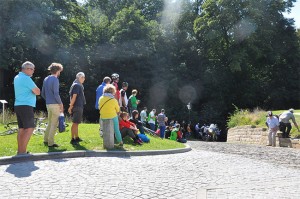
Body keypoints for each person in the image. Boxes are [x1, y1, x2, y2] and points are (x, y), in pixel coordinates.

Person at [14, 61, 40, 155]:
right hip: (26, 105)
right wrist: (33, 91)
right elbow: (37, 91)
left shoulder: (17, 77)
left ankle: (20, 151)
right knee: (30, 128)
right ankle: (23, 152)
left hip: (18, 105)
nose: (33, 71)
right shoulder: (26, 78)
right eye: (32, 69)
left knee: (21, 129)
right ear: (26, 69)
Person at [41, 63, 64, 148]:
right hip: (55, 104)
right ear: (58, 70)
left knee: (50, 122)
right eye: (60, 71)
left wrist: (47, 99)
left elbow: (42, 93)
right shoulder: (55, 79)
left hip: (48, 103)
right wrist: (60, 103)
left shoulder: (46, 79)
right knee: (54, 124)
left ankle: (46, 139)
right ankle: (51, 143)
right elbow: (56, 93)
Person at [68, 72, 86, 145]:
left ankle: (77, 137)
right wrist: (70, 107)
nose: (84, 79)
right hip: (77, 106)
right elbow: (74, 96)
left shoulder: (76, 85)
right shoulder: (77, 85)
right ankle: (72, 139)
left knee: (77, 123)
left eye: (84, 77)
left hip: (78, 105)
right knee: (75, 123)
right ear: (79, 78)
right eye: (83, 77)